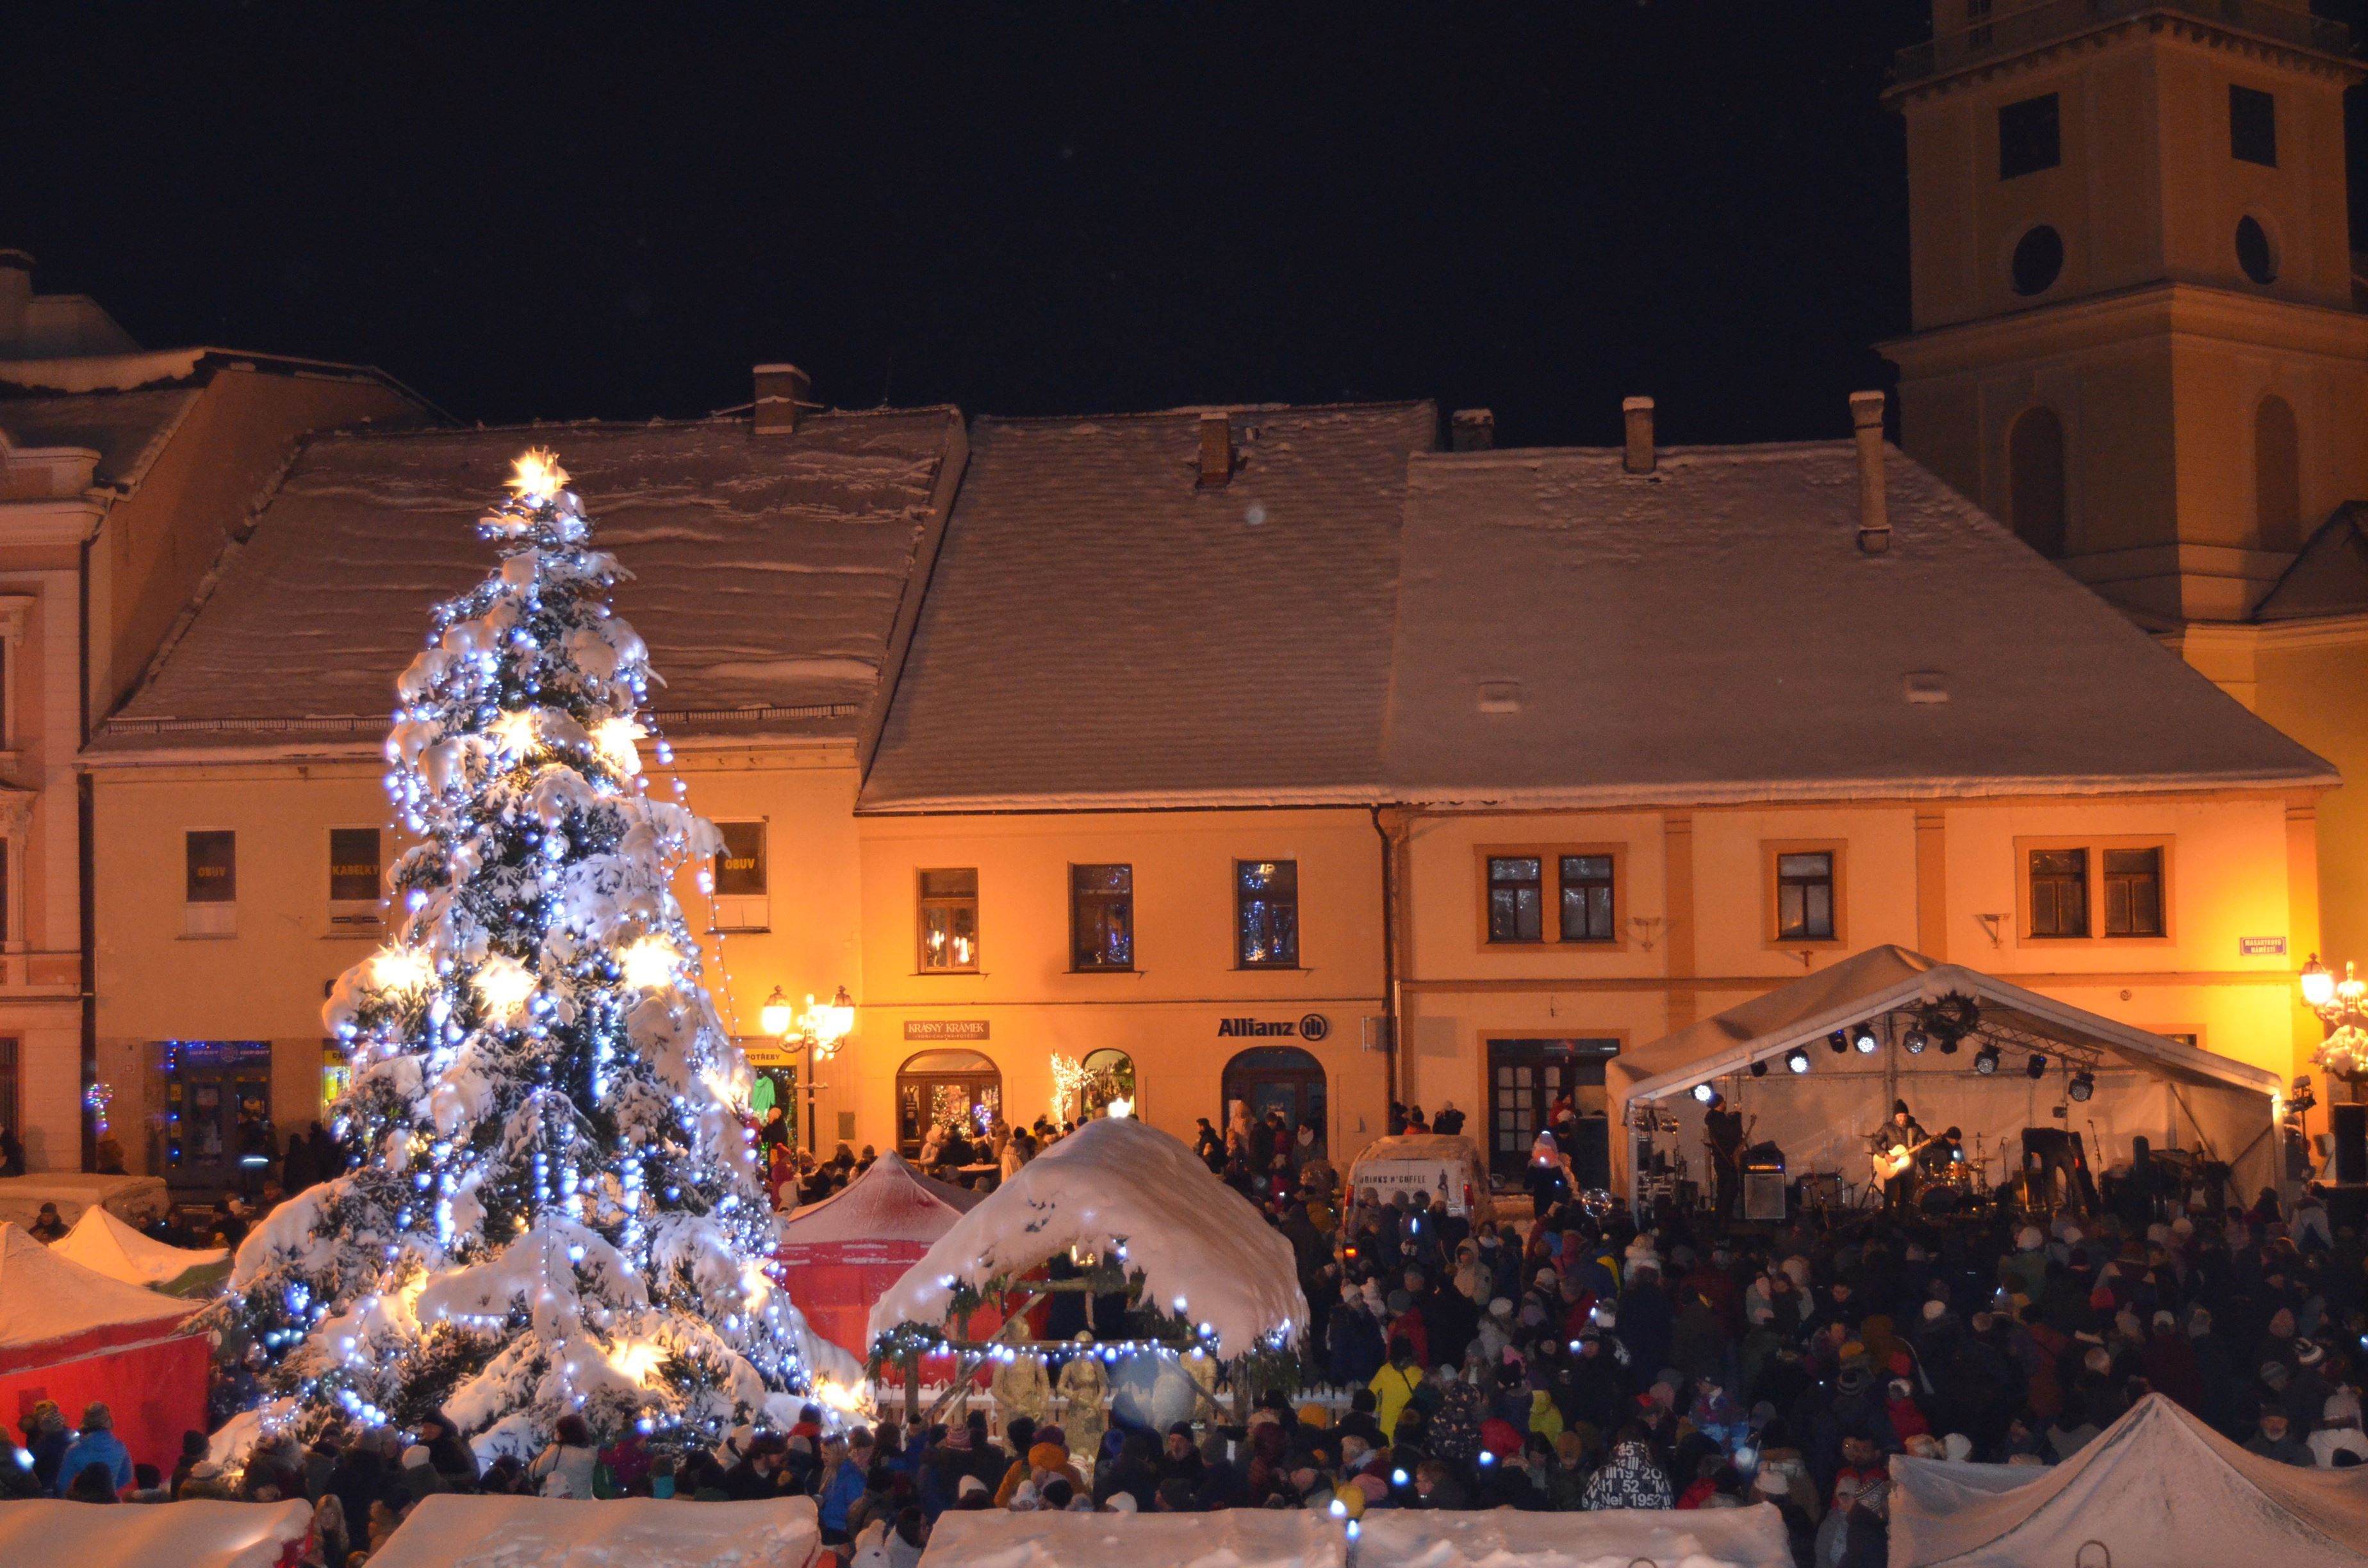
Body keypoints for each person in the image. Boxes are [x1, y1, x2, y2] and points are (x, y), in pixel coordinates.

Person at [56, 1403, 130, 1498]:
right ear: (109, 1422)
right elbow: (127, 1476)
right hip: (110, 1502)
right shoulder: (120, 1447)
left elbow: (63, 1484)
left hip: (84, 1504)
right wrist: (110, 1488)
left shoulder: (74, 1450)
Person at [1871, 1102, 1927, 1212]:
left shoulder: (1914, 1128)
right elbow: (1874, 1143)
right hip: (1891, 1167)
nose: (1902, 1118)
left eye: (1904, 1115)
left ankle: (1905, 1222)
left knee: (1906, 1197)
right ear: (1895, 1116)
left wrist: (1932, 1139)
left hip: (1909, 1168)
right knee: (1889, 1196)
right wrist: (1885, 1155)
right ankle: (1888, 1221)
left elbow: (1924, 1140)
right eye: (1900, 1116)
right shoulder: (1888, 1127)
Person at [527, 1413, 598, 1498]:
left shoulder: (556, 1451)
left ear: (562, 1433)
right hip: (584, 1505)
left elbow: (533, 1471)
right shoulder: (592, 1454)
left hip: (559, 1504)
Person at [1702, 1091, 1745, 1221]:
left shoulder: (1715, 1119)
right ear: (1720, 1103)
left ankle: (1723, 1216)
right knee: (1728, 1189)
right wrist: (1737, 1117)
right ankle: (1723, 1217)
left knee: (1725, 1189)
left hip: (1723, 1159)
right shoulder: (1718, 1120)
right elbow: (1733, 1136)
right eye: (1723, 1102)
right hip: (1725, 1159)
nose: (1726, 1104)